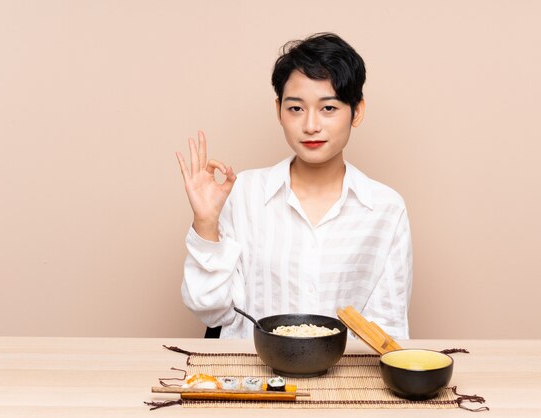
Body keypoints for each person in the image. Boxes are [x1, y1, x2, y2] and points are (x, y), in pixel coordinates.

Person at [176, 33, 413, 339]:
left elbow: (388, 331)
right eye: (296, 108)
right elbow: (212, 311)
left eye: (328, 108)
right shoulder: (243, 193)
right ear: (279, 111)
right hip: (253, 380)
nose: (311, 125)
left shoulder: (385, 209)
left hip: (343, 382)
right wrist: (206, 224)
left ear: (357, 111)